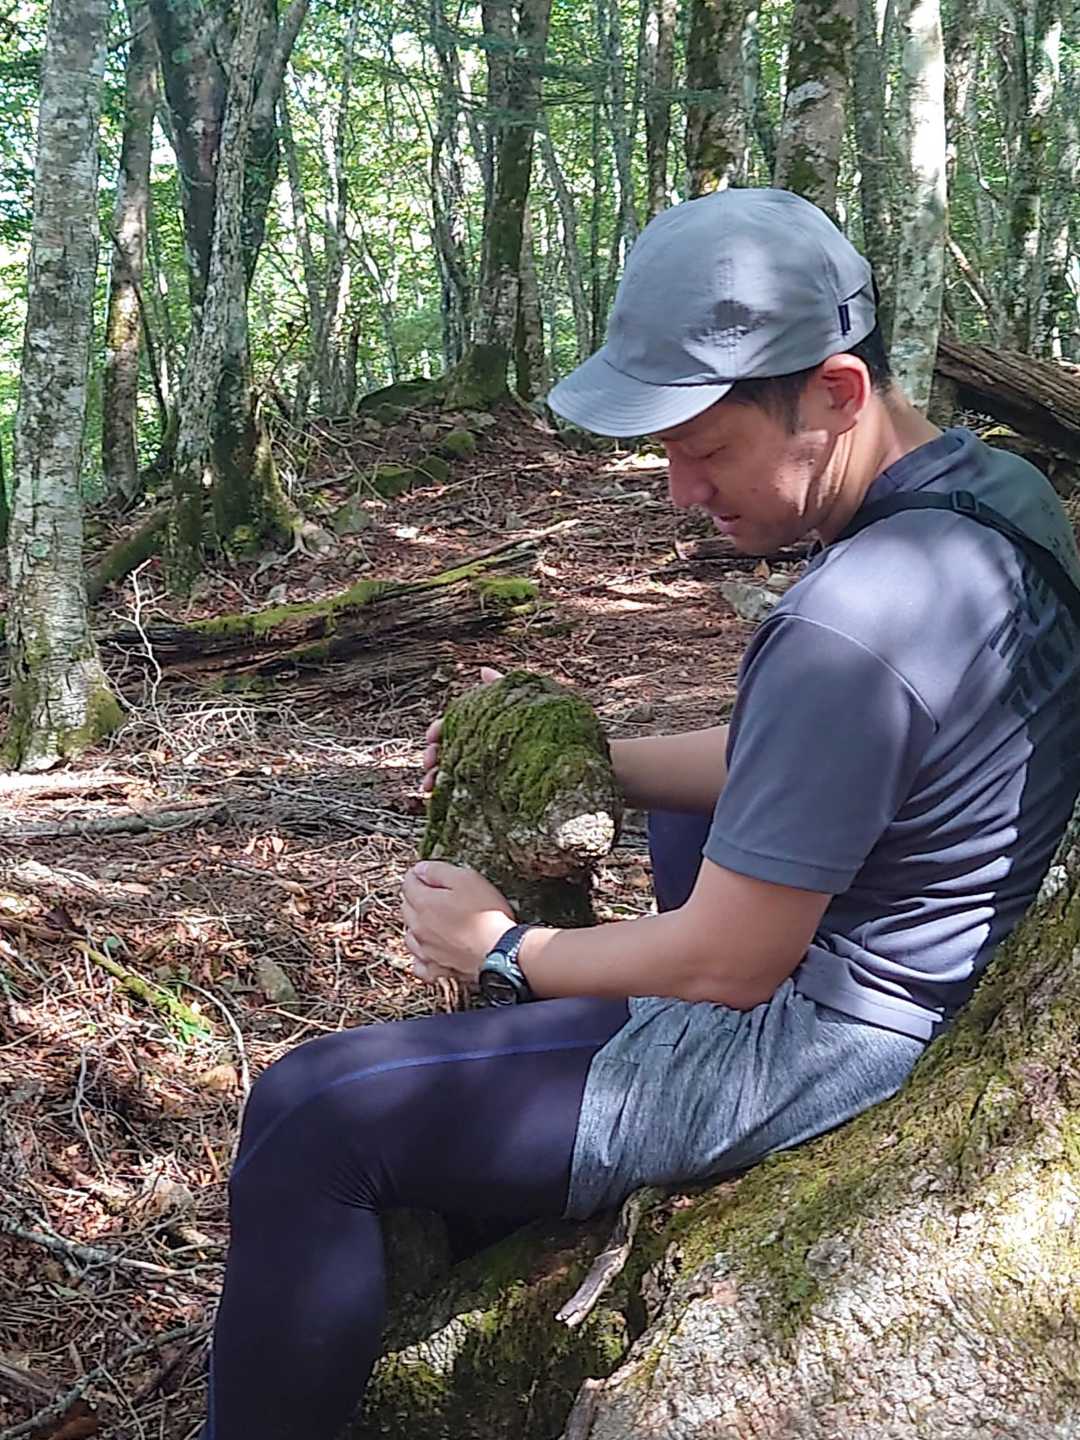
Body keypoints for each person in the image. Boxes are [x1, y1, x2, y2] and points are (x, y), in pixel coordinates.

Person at [200, 188, 1080, 1439]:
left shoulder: (852, 618)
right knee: (677, 835)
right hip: (929, 959)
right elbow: (828, 761)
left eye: (705, 450)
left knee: (311, 1117)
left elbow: (732, 962)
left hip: (832, 1033)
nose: (678, 491)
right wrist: (595, 763)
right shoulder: (994, 498)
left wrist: (507, 950)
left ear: (835, 394)